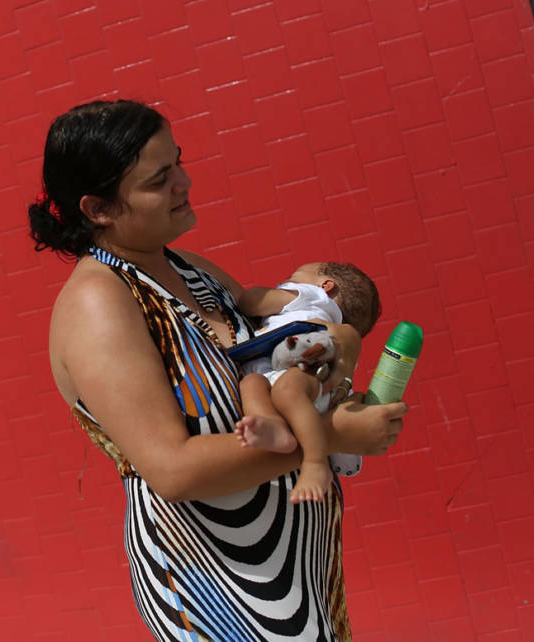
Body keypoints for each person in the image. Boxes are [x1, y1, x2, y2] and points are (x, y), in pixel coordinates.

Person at [29, 99, 407, 642]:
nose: (184, 182)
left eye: (178, 161)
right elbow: (173, 471)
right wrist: (330, 435)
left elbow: (292, 340)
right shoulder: (100, 303)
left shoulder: (189, 268)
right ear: (99, 208)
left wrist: (341, 343)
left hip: (290, 569)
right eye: (160, 180)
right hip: (210, 578)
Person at [233, 262, 382, 503]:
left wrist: (266, 293)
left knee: (280, 390)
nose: (285, 283)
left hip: (304, 367)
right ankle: (273, 427)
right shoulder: (320, 306)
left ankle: (316, 461)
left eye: (291, 277)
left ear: (326, 285)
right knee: (252, 382)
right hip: (280, 373)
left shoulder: (313, 296)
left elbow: (251, 301)